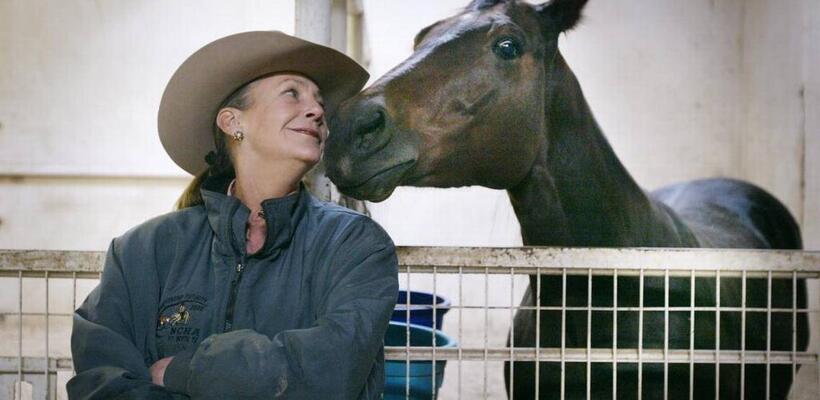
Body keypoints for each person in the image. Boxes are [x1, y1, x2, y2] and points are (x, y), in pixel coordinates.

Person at [68, 31, 399, 399]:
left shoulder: (355, 244)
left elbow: (333, 368)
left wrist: (188, 371)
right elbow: (102, 380)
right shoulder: (143, 251)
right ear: (232, 122)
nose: (318, 111)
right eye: (292, 93)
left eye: (320, 103)